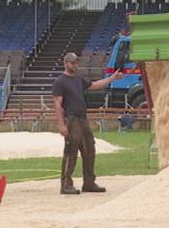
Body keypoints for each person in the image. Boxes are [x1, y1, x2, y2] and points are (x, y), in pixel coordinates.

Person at [53, 52, 123, 195]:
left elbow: (96, 85)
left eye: (76, 62)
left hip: (83, 118)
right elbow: (57, 104)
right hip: (71, 119)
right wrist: (62, 125)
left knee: (90, 149)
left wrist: (112, 78)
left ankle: (89, 182)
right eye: (72, 63)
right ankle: (66, 184)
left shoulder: (79, 79)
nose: (75, 65)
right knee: (71, 151)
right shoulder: (60, 82)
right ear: (65, 63)